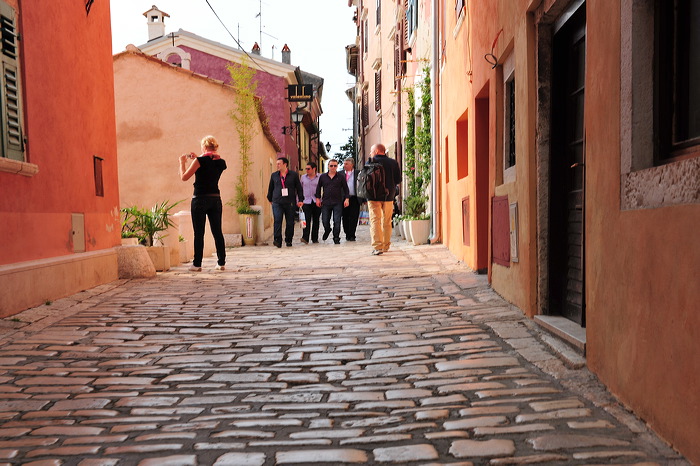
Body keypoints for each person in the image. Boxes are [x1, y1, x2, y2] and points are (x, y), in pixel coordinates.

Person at [179, 135, 227, 271]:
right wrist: (198, 158)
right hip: (215, 198)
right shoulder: (221, 162)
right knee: (217, 231)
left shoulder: (199, 161)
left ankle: (197, 264)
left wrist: (182, 162)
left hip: (199, 198)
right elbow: (210, 164)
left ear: (204, 147)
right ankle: (221, 262)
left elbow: (184, 177)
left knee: (199, 233)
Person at [367, 143, 401, 255]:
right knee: (387, 221)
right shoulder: (393, 162)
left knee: (375, 220)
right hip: (388, 196)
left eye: (371, 151)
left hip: (373, 196)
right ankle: (386, 246)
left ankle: (377, 247)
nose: (370, 153)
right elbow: (398, 179)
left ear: (376, 151)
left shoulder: (371, 162)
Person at [267, 157, 303, 247]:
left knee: (290, 222)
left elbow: (299, 188)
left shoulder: (293, 175)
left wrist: (301, 200)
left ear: (285, 164)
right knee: (278, 220)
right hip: (277, 202)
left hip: (290, 202)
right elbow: (270, 188)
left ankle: (288, 239)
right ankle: (277, 240)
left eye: (279, 163)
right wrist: (270, 199)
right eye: (277, 163)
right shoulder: (274, 175)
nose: (277, 165)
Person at [315, 159, 349, 244]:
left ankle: (336, 237)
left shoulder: (341, 177)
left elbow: (346, 189)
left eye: (335, 166)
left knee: (337, 221)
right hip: (326, 202)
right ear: (328, 166)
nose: (333, 167)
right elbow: (318, 188)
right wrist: (318, 198)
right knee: (325, 220)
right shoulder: (323, 177)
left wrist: (347, 198)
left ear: (337, 166)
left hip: (337, 202)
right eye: (331, 166)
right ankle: (327, 229)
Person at [339, 157, 361, 241]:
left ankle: (352, 234)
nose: (344, 165)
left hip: (355, 198)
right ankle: (347, 233)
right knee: (345, 216)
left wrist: (364, 198)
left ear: (352, 165)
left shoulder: (358, 173)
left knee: (354, 217)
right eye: (344, 164)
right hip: (343, 198)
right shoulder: (340, 174)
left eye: (346, 164)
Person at [300, 161, 322, 243]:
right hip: (306, 201)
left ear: (314, 169)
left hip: (317, 201)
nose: (307, 170)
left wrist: (320, 198)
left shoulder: (320, 177)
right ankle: (305, 237)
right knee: (306, 220)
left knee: (316, 220)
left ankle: (314, 238)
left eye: (308, 169)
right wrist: (299, 200)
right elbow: (300, 189)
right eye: (306, 169)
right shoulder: (303, 177)